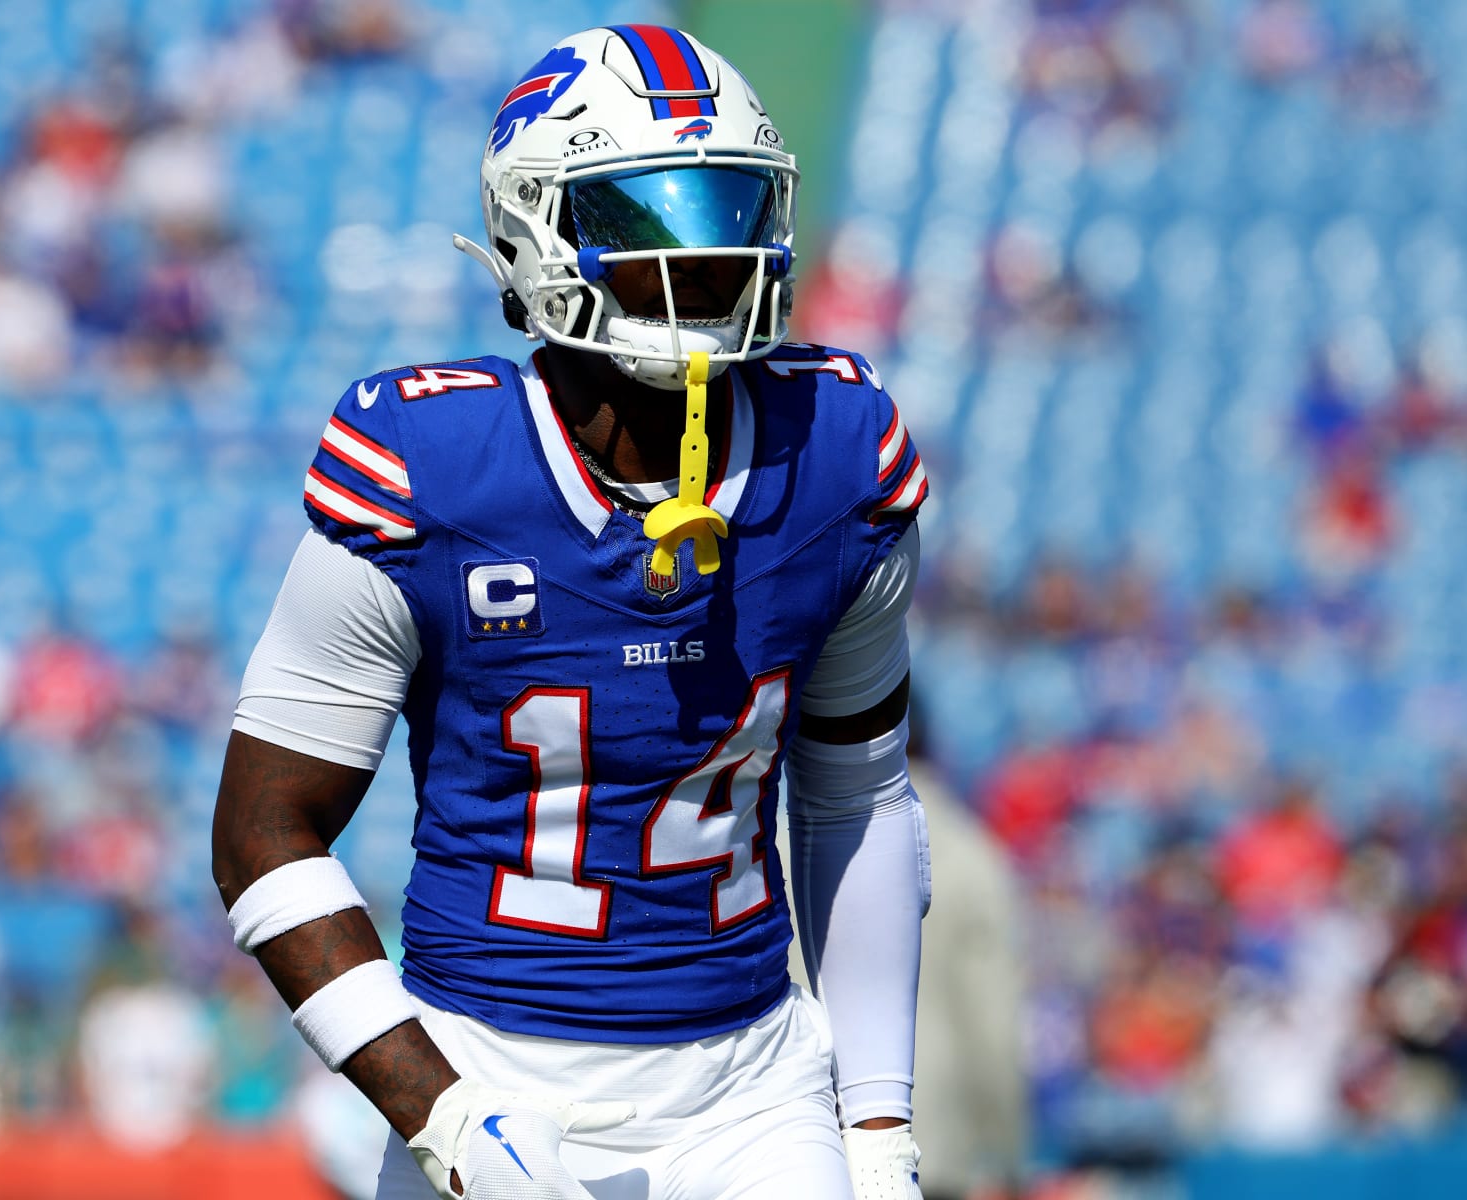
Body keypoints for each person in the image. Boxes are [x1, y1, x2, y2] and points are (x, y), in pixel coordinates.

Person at [212, 25, 930, 1200]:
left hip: (749, 1090)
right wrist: (439, 1112)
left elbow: (859, 794)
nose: (708, 258)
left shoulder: (839, 453)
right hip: (490, 1073)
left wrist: (880, 1125)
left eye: (728, 212)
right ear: (535, 233)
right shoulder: (431, 468)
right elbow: (262, 835)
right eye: (650, 221)